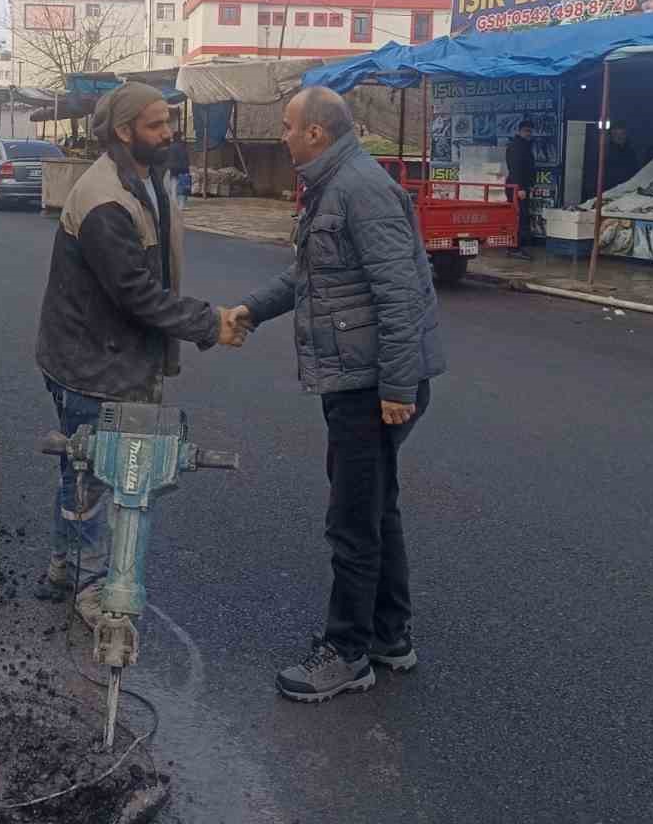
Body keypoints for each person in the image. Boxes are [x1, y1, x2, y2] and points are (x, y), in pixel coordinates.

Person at [230, 87, 446, 704]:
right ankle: (388, 635)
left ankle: (347, 653)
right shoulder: (333, 184)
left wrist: (398, 386)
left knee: (352, 518)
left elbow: (401, 292)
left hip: (370, 382)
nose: (284, 135)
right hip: (362, 376)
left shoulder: (360, 189)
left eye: (290, 126)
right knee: (377, 507)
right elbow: (307, 278)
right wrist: (251, 310)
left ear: (317, 133)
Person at [35, 82, 248, 627]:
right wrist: (209, 323)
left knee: (78, 469)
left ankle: (65, 566)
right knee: (95, 478)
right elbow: (135, 294)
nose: (169, 131)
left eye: (169, 121)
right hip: (92, 363)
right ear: (124, 131)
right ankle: (87, 586)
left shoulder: (145, 179)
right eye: (157, 124)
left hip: (104, 352)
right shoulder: (106, 201)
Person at [505, 119, 536, 258]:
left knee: (522, 216)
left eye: (530, 131)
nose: (529, 133)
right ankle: (514, 247)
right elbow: (516, 168)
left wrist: (530, 185)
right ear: (519, 131)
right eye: (526, 130)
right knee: (518, 217)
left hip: (521, 186)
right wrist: (520, 188)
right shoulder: (516, 146)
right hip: (516, 187)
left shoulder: (525, 145)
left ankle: (517, 246)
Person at [604, 123, 640, 190]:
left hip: (629, 189)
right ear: (611, 136)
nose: (619, 137)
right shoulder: (606, 152)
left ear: (626, 135)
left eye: (622, 134)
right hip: (610, 190)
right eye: (616, 134)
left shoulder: (631, 152)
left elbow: (636, 171)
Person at [165, 134, 193, 209]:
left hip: (173, 168)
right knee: (182, 187)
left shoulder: (171, 146)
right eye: (182, 136)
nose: (184, 137)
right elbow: (184, 158)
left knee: (174, 186)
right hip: (181, 168)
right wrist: (187, 168)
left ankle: (174, 204)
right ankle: (181, 205)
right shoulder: (181, 146)